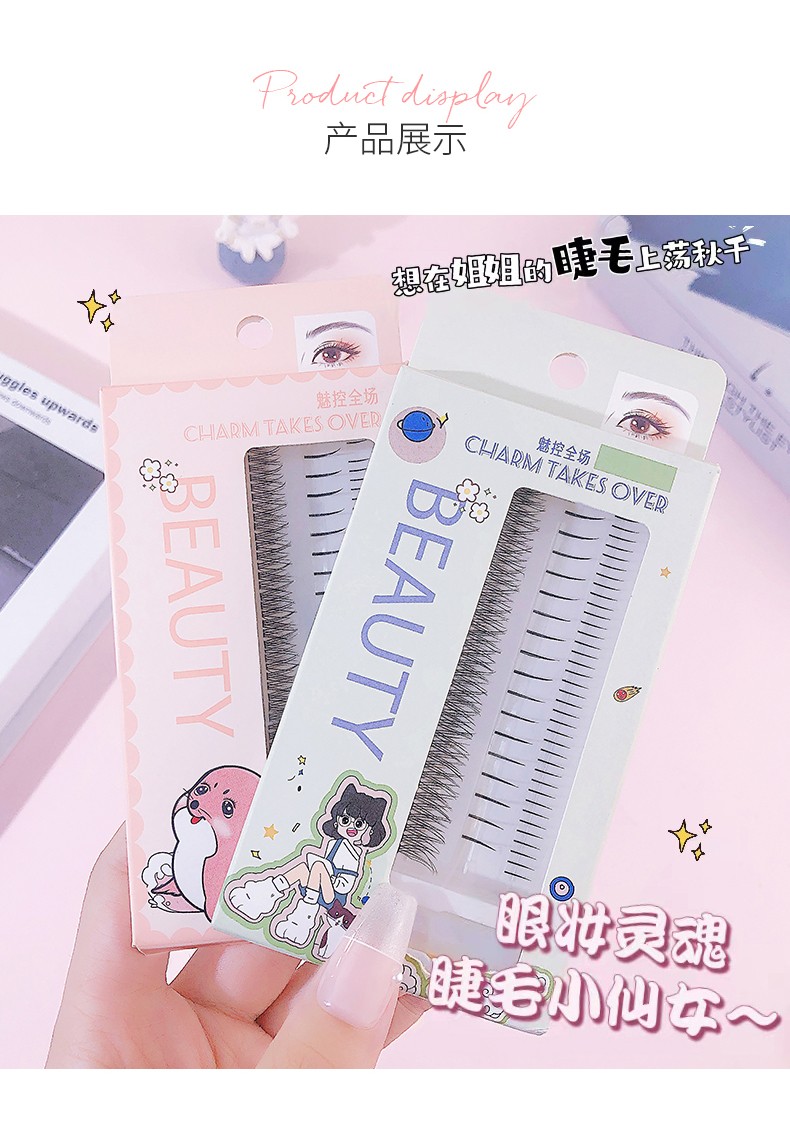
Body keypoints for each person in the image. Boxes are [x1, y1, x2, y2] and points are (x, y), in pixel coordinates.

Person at [46, 827, 426, 1068]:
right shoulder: (334, 846)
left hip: (340, 902)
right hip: (331, 903)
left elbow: (345, 885)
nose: (352, 829)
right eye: (347, 821)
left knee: (310, 873)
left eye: (360, 826)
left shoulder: (351, 855)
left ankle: (276, 895)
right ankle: (277, 896)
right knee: (308, 870)